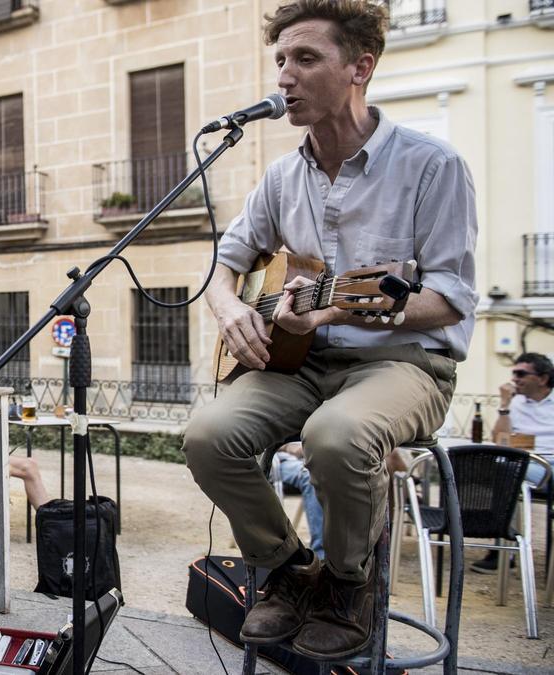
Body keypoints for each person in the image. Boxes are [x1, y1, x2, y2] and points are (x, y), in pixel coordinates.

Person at [181, 0, 476, 660]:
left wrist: (344, 307)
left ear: (360, 67)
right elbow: (225, 266)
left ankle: (349, 585)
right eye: (280, 59)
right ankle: (287, 573)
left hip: (405, 364)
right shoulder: (283, 176)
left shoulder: (432, 166)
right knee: (206, 433)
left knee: (336, 435)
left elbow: (452, 297)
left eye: (306, 58)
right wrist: (232, 310)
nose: (285, 75)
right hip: (304, 362)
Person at [473, 352, 554, 573]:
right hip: (528, 464)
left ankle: (501, 550)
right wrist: (505, 405)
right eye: (513, 373)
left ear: (543, 378)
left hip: (550, 464)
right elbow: (500, 439)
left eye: (521, 373)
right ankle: (501, 547)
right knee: (504, 466)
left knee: (508, 470)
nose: (515, 378)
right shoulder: (516, 403)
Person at [274, 441, 324, 559]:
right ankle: (321, 556)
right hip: (274, 460)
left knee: (333, 471)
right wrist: (287, 446)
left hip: (300, 459)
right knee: (312, 476)